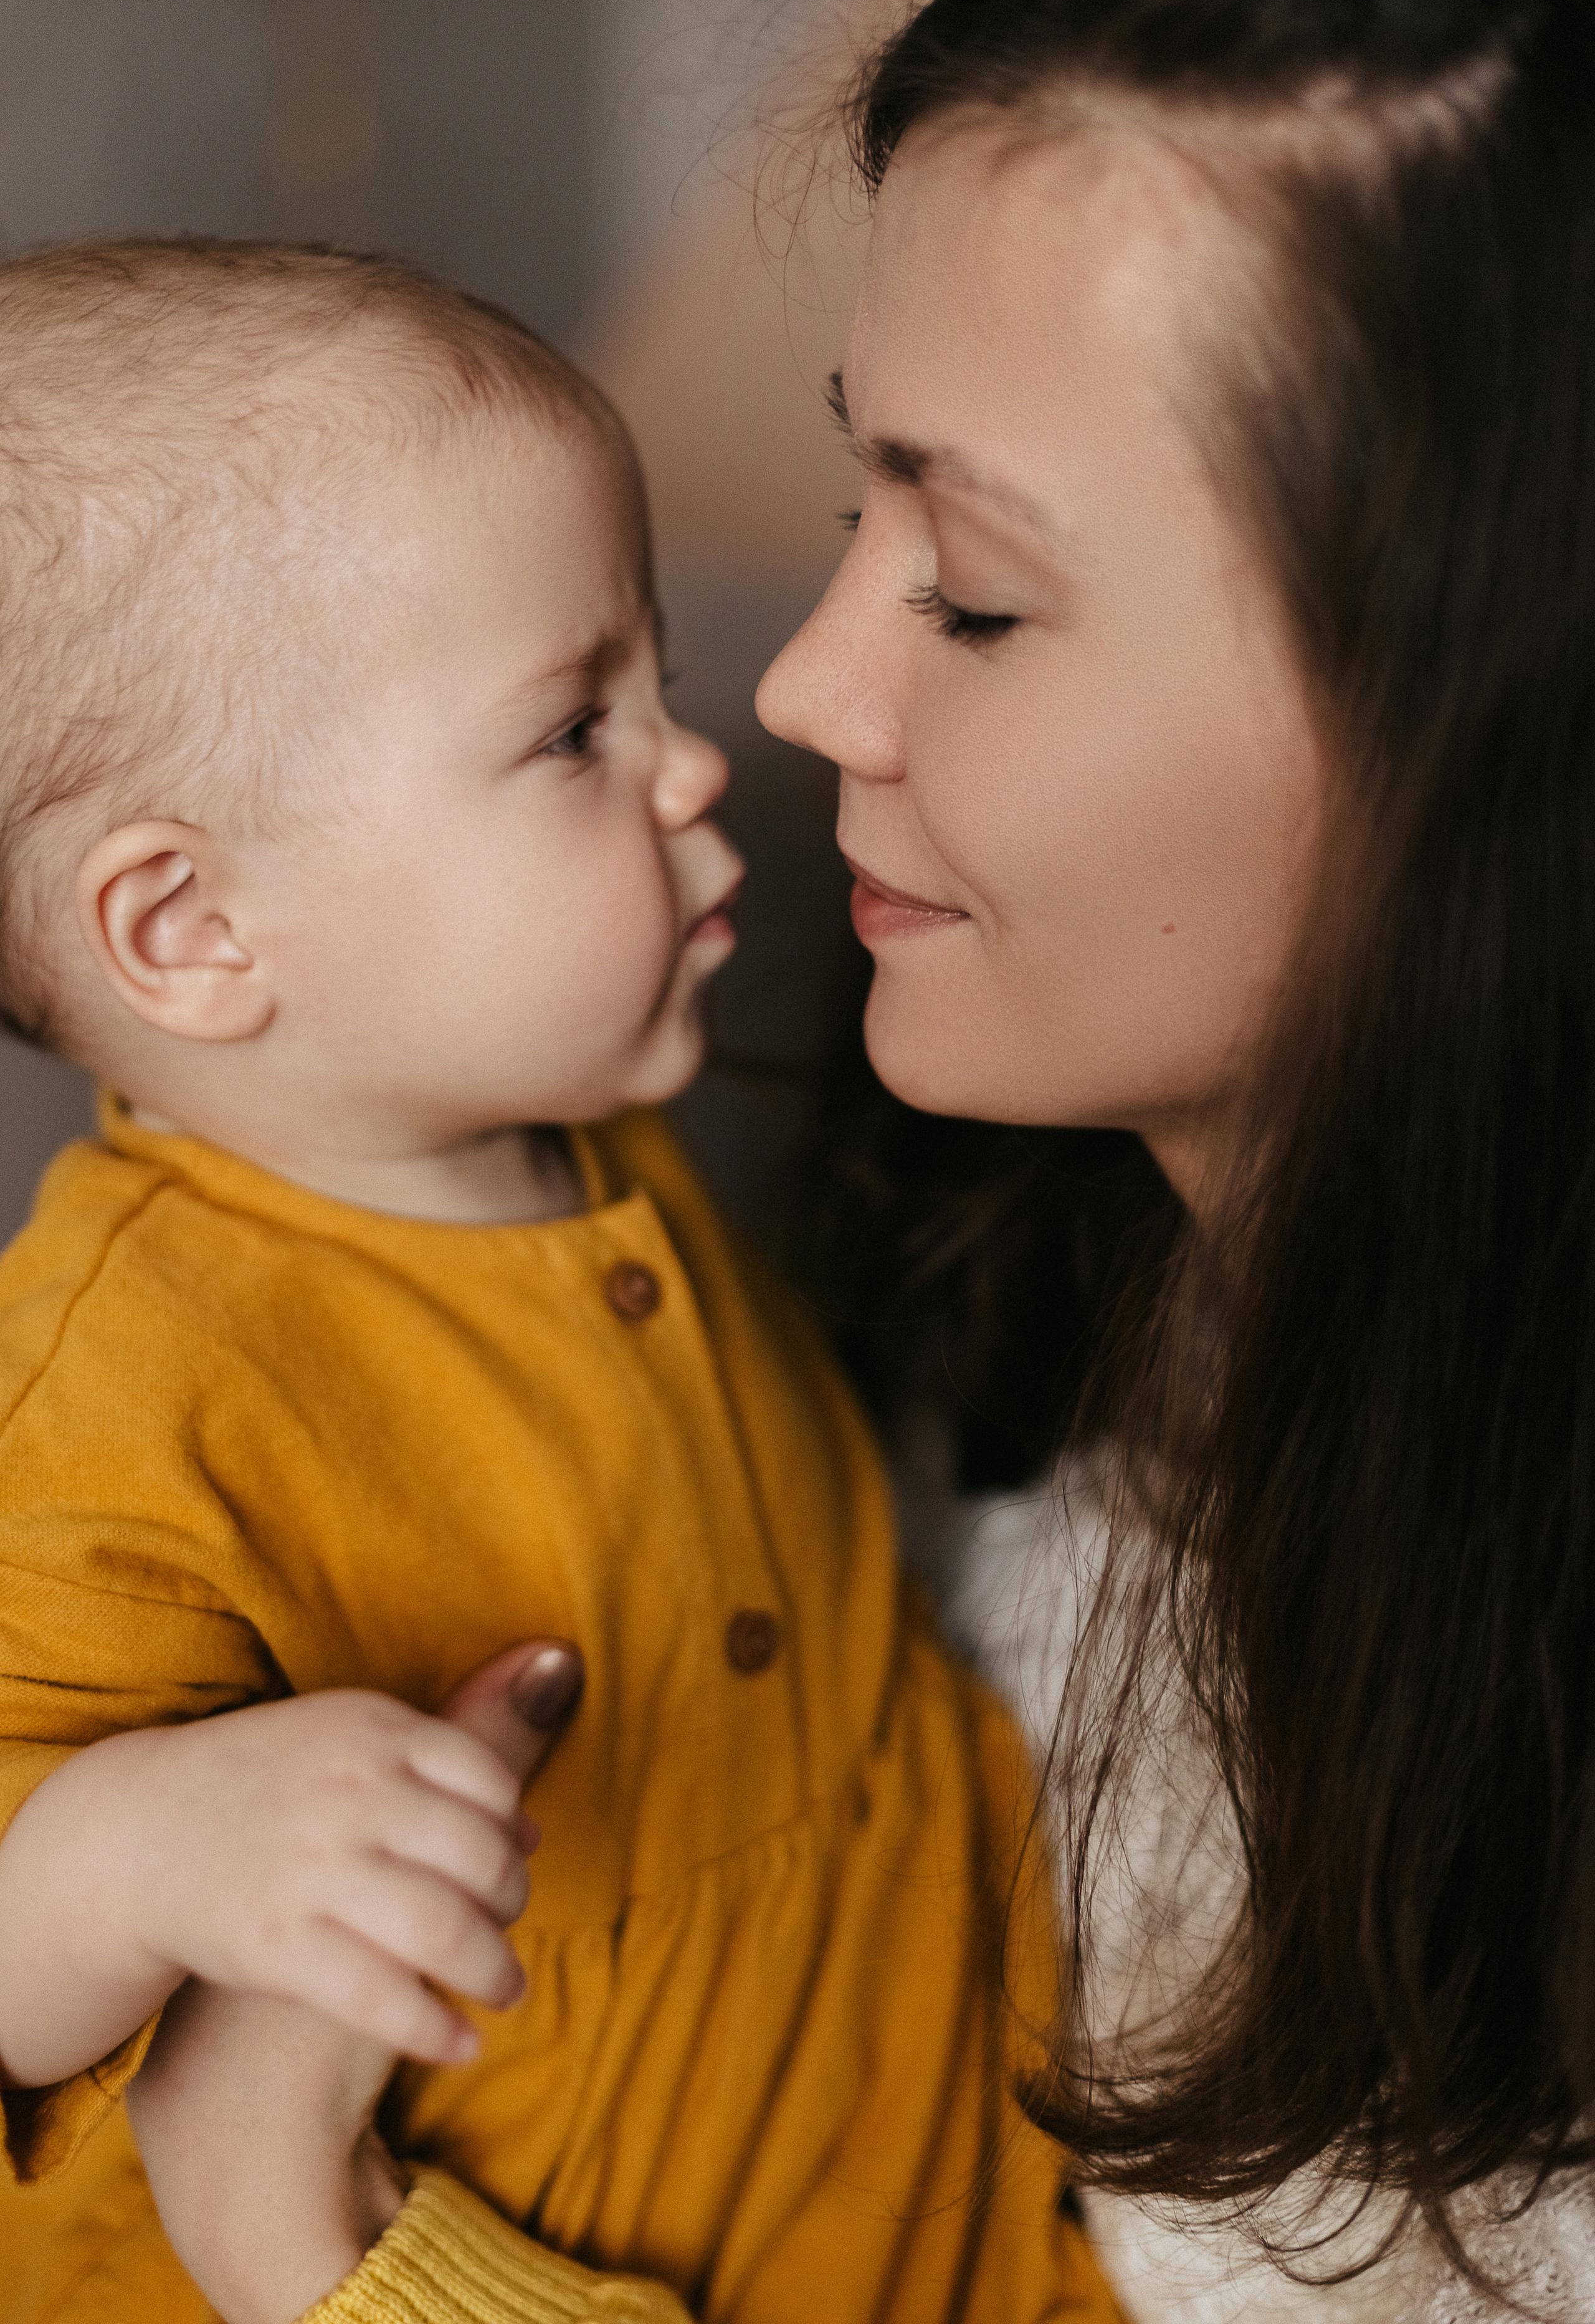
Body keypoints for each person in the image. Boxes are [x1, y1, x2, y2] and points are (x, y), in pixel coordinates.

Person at [126, 0, 1595, 2316]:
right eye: (849, 503)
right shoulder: (969, 1305)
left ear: (1498, 731)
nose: (804, 690)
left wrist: (317, 2238)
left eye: (980, 598)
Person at [0, 239, 1119, 2323]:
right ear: (192, 932)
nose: (697, 763)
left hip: (946, 2198)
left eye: (656, 682)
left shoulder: (572, 1135)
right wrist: (137, 1850)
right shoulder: (125, 1389)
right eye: (572, 729)